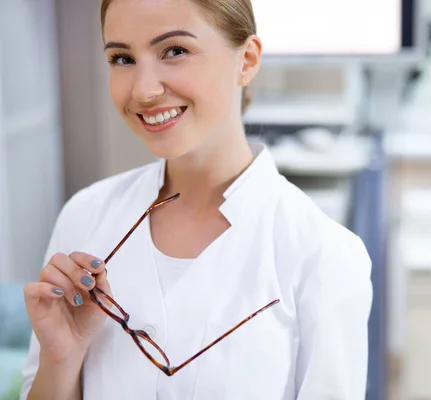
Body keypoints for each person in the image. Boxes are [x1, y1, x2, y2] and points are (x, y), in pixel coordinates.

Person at [20, 0, 373, 398]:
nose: (144, 90)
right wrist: (61, 356)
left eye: (175, 51)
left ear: (247, 59)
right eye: (122, 58)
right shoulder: (85, 216)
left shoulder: (323, 254)